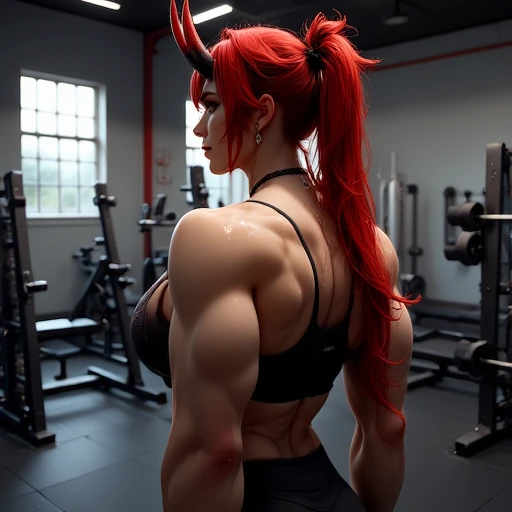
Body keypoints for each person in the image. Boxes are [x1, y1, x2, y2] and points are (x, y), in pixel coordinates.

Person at [130, 0, 418, 510]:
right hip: (331, 490)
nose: (200, 128)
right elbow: (387, 431)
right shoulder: (374, 245)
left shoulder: (214, 238)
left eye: (213, 106)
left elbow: (216, 451)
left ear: (261, 111)